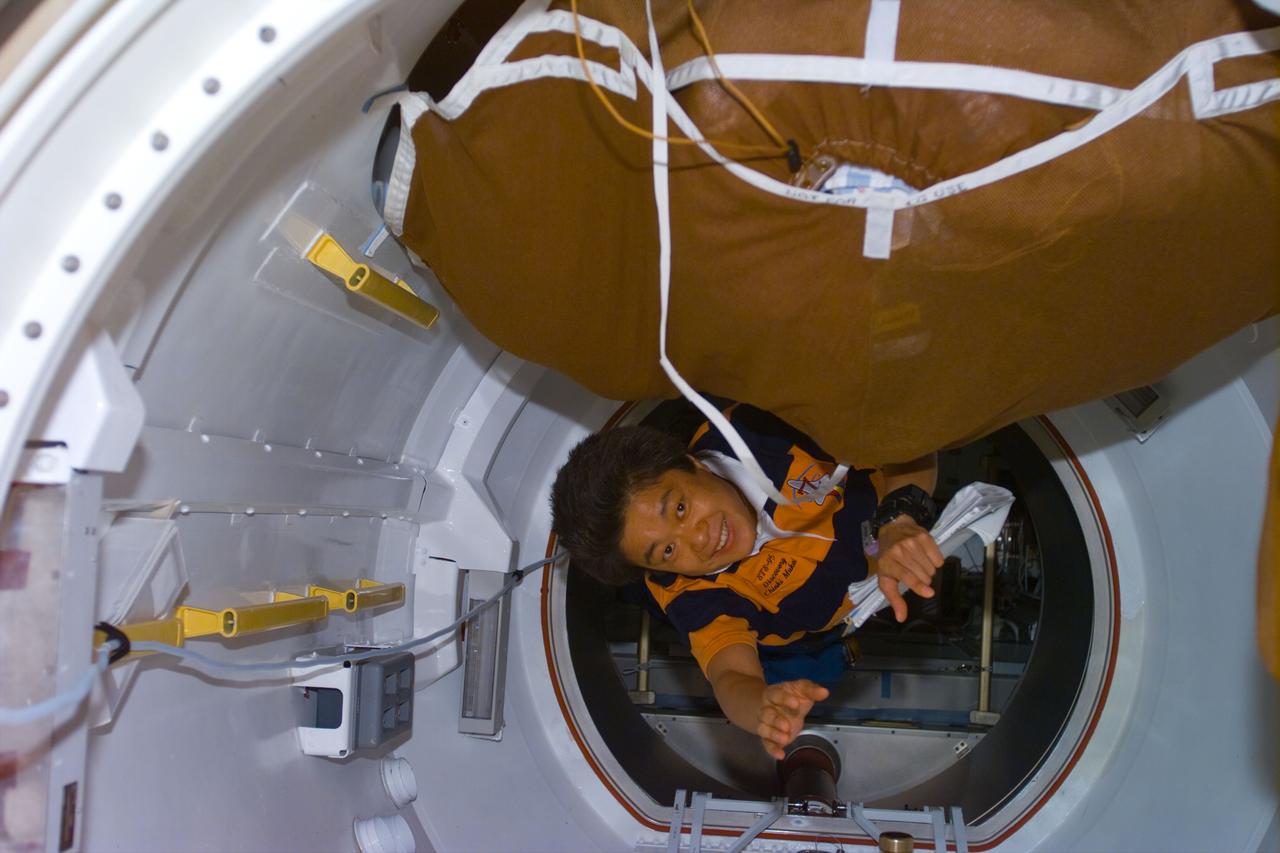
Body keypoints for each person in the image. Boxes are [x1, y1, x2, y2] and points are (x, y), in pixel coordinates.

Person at [550, 402, 944, 760]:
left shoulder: (764, 428)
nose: (700, 539)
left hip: (891, 513)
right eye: (668, 551)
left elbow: (908, 437)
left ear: (694, 464)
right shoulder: (689, 593)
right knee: (809, 668)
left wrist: (900, 518)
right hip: (817, 623)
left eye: (681, 508)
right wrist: (762, 708)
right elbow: (731, 676)